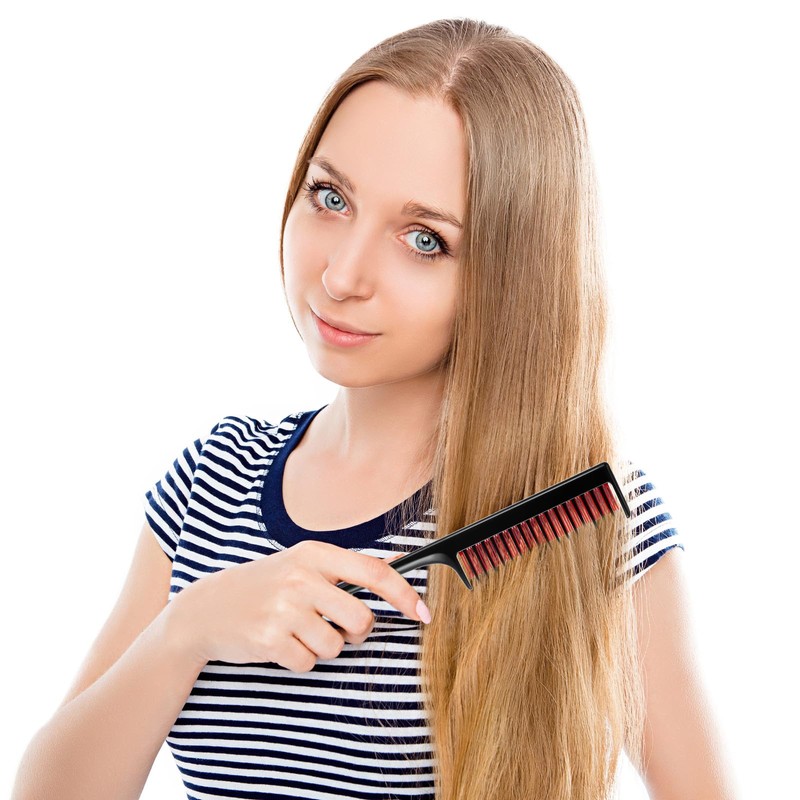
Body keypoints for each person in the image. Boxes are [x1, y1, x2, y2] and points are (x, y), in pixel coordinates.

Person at [12, 17, 737, 800]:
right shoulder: (213, 481)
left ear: (513, 276)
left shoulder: (577, 518)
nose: (342, 276)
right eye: (330, 197)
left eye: (424, 240)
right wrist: (185, 631)